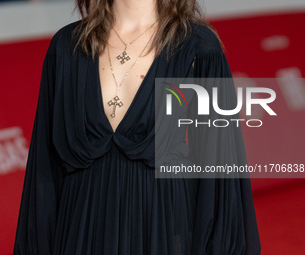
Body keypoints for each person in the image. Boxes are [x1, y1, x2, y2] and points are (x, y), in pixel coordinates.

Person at [13, 0, 261, 254]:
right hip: (81, 223)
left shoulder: (197, 46)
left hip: (164, 220)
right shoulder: (66, 45)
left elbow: (218, 163)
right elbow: (45, 164)